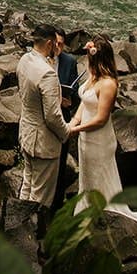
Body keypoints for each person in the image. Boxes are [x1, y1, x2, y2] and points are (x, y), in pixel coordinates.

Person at [67, 34, 137, 233]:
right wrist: (74, 121)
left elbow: (101, 119)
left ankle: (106, 217)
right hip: (85, 137)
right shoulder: (92, 76)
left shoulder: (108, 84)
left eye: (90, 56)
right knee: (87, 177)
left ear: (98, 58)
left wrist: (76, 129)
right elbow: (84, 102)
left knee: (99, 176)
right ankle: (86, 212)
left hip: (99, 138)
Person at [17, 21, 71, 218]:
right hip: (44, 143)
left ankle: (16, 227)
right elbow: (52, 116)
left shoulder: (24, 60)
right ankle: (32, 238)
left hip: (27, 133)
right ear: (49, 43)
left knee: (27, 186)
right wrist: (66, 133)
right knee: (40, 197)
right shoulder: (47, 73)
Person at [52, 27, 80, 211]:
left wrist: (70, 99)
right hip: (44, 117)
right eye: (55, 43)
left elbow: (76, 89)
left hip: (63, 115)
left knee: (60, 163)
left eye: (61, 44)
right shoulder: (37, 59)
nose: (58, 47)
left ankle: (56, 204)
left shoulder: (69, 61)